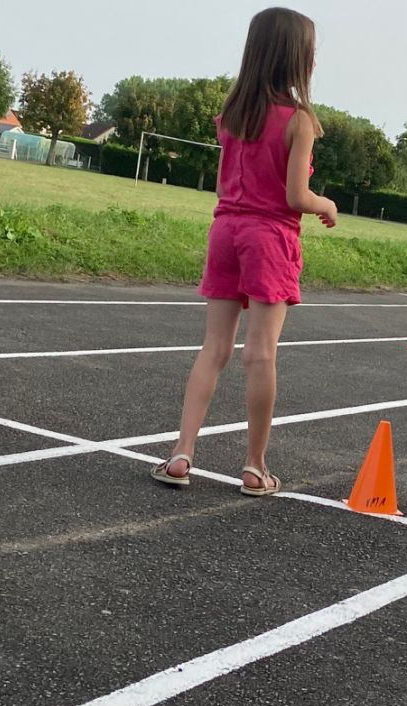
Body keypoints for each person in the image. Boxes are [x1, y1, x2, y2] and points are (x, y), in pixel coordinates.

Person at [150, 7, 337, 495]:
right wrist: (326, 204)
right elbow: (296, 197)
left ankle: (181, 453)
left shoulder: (231, 117)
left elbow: (222, 184)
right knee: (261, 354)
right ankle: (255, 465)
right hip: (269, 238)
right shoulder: (300, 121)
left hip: (226, 230)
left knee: (214, 349)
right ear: (299, 60)